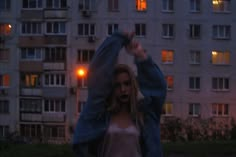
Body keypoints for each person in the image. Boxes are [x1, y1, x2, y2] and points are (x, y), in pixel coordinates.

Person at [72, 31, 167, 157]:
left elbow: (157, 88)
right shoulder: (99, 116)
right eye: (117, 85)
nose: (123, 89)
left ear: (133, 86)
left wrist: (140, 55)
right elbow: (99, 75)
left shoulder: (143, 117)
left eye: (127, 84)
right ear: (112, 88)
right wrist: (116, 40)